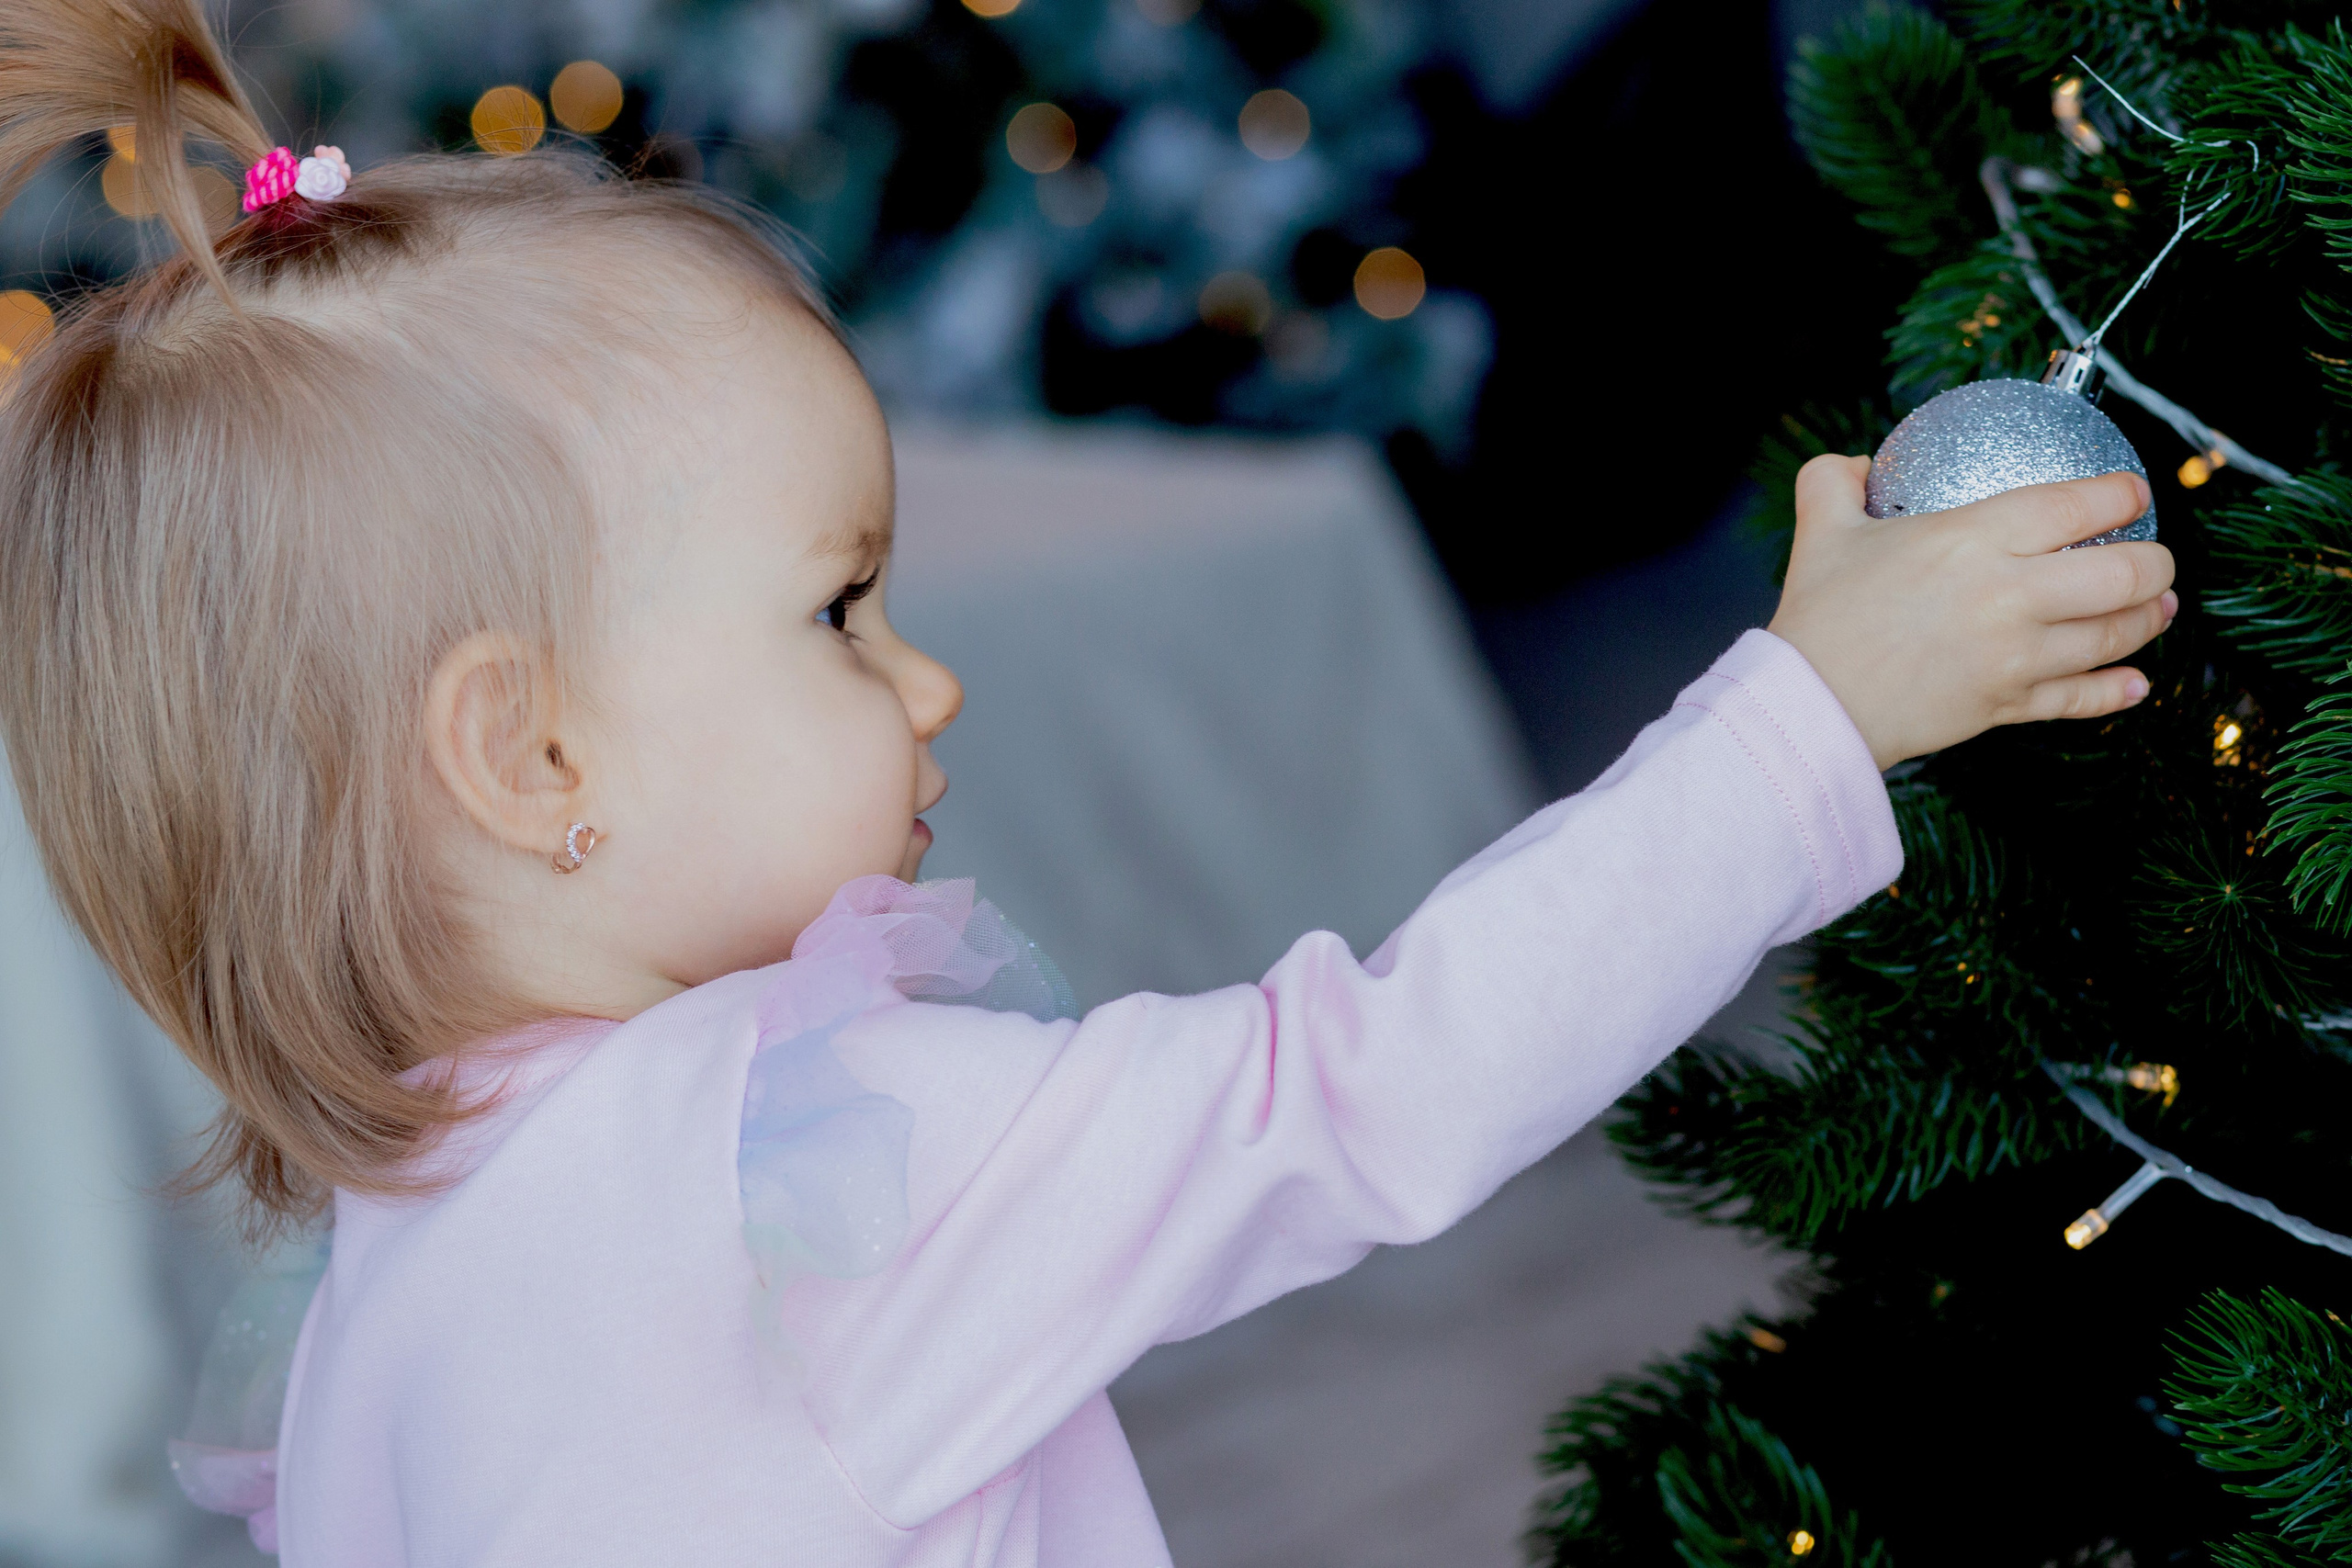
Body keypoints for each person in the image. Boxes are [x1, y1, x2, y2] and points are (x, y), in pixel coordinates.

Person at [0, 4, 2176, 1563]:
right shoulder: (805, 1200)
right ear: (529, 752)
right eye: (837, 608)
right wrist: (1804, 710)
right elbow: (1366, 1083)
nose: (926, 679)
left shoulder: (390, 1247)